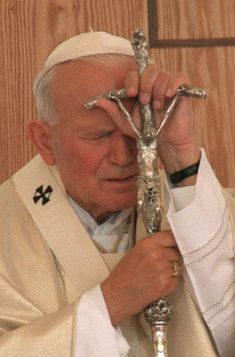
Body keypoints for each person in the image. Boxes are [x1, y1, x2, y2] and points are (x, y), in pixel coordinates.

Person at [0, 31, 234, 357]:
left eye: (136, 133)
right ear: (44, 141)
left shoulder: (204, 208)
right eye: (98, 136)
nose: (125, 157)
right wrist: (113, 300)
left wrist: (180, 155)